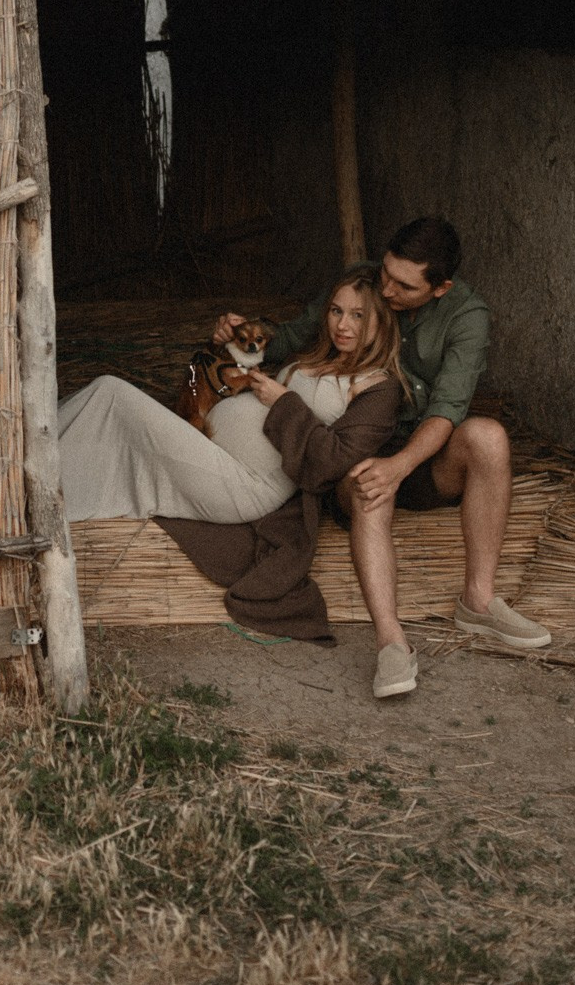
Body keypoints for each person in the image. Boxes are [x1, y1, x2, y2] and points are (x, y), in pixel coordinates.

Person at [216, 216, 550, 699]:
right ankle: (392, 642)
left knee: (488, 436)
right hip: (352, 449)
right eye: (386, 274)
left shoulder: (466, 316)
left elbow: (447, 411)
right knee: (368, 482)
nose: (387, 289)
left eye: (404, 286)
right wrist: (242, 331)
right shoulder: (366, 281)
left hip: (420, 450)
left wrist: (400, 465)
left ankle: (478, 600)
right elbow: (291, 336)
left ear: (440, 288)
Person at [59, 270, 404, 643]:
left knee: (112, 394)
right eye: (336, 311)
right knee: (107, 406)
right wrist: (226, 341)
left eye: (358, 315)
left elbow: (332, 461)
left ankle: (37, 479)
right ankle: (38, 467)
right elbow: (229, 364)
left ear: (381, 322)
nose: (343, 325)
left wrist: (284, 402)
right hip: (214, 454)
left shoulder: (378, 388)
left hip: (247, 484)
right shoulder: (315, 356)